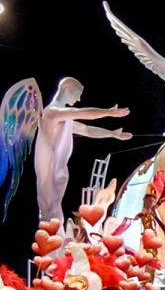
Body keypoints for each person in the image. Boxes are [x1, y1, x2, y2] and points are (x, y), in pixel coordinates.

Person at [35, 77, 131, 226]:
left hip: (58, 171)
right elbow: (79, 112)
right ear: (66, 90)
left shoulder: (63, 118)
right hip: (50, 171)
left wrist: (113, 134)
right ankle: (52, 243)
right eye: (77, 94)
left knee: (55, 214)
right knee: (51, 215)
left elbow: (86, 129)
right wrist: (109, 112)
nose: (79, 99)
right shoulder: (52, 113)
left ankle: (56, 243)